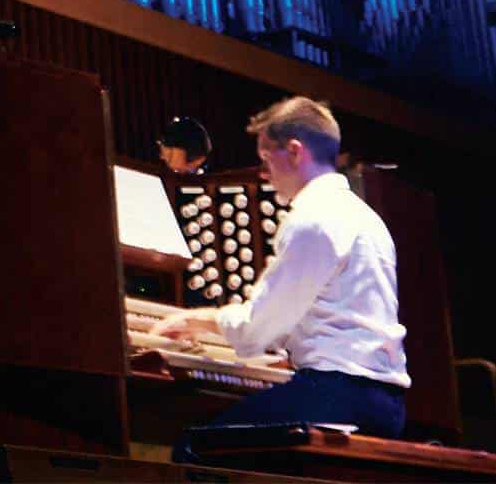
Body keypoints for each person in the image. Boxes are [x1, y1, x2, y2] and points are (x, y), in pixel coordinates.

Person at [149, 96, 410, 463]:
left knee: (193, 450)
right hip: (385, 401)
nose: (263, 173)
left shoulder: (311, 218)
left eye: (266, 159)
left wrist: (193, 319)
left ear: (294, 151)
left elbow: (258, 329)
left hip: (338, 394)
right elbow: (330, 313)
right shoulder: (366, 217)